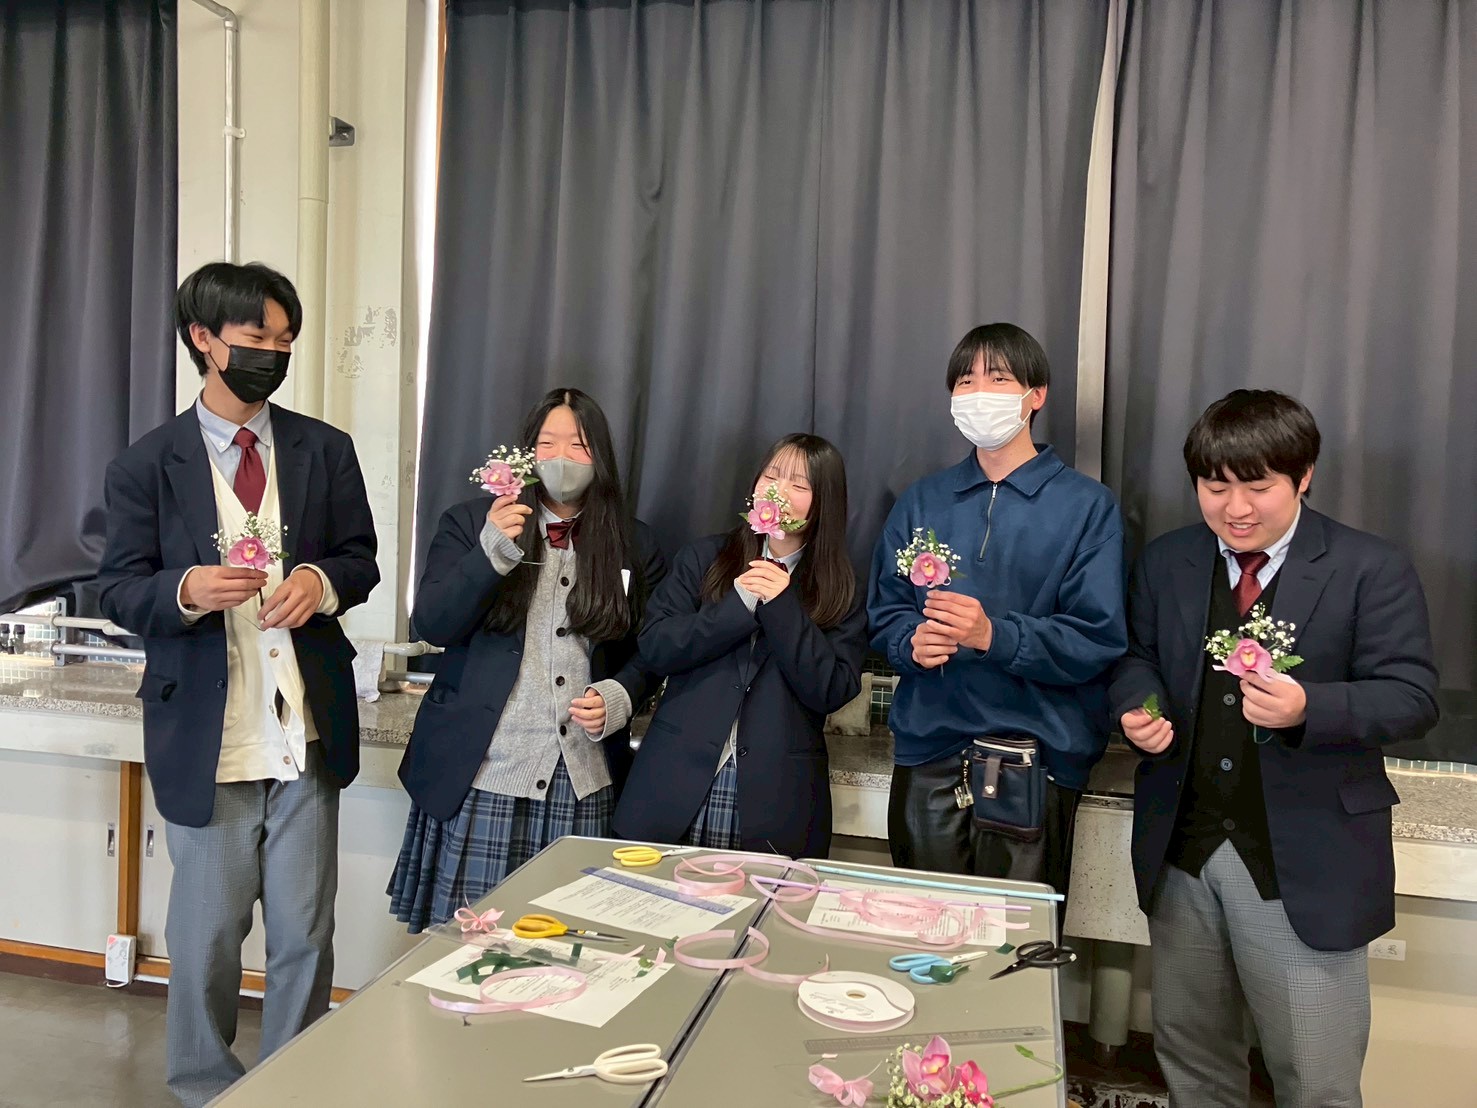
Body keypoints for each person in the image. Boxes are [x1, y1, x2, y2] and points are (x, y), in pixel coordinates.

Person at [97, 262, 379, 1107]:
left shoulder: (324, 450)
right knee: (208, 939)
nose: (273, 354)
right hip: (209, 739)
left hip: (306, 734)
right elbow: (116, 590)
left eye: (285, 340)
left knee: (305, 937)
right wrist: (185, 590)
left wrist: (320, 583)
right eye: (257, 337)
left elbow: (360, 560)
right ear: (204, 339)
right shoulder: (147, 465)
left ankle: (291, 1087)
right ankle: (202, 1090)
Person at [1111, 390, 1439, 1108]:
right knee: (1193, 1062)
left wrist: (1308, 706)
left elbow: (1413, 696)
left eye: (1257, 487)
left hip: (1306, 863)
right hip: (1184, 854)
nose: (1235, 508)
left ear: (1303, 476)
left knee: (1316, 1081)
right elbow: (1136, 658)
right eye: (1214, 486)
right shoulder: (1168, 561)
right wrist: (1140, 708)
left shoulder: (1367, 566)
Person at [388, 388, 665, 932]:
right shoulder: (470, 522)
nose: (562, 457)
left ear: (601, 456)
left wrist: (621, 695)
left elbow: (651, 648)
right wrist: (490, 551)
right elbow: (433, 625)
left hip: (583, 777)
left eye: (579, 445)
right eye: (547, 443)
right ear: (525, 453)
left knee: (571, 946)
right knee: (469, 945)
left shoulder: (634, 542)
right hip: (484, 770)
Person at [867, 323, 1126, 899]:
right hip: (928, 753)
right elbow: (885, 613)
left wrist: (994, 636)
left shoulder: (1087, 507)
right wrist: (909, 643)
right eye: (965, 381)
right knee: (921, 929)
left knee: (1014, 942)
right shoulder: (921, 500)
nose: (979, 393)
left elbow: (1097, 638)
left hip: (1035, 762)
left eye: (999, 378)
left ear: (1037, 395)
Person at [614, 434, 867, 857]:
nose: (778, 492)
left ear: (825, 503)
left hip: (776, 799)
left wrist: (782, 607)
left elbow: (832, 690)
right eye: (771, 476)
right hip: (672, 783)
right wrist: (738, 606)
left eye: (799, 485)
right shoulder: (705, 558)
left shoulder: (842, 587)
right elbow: (657, 646)